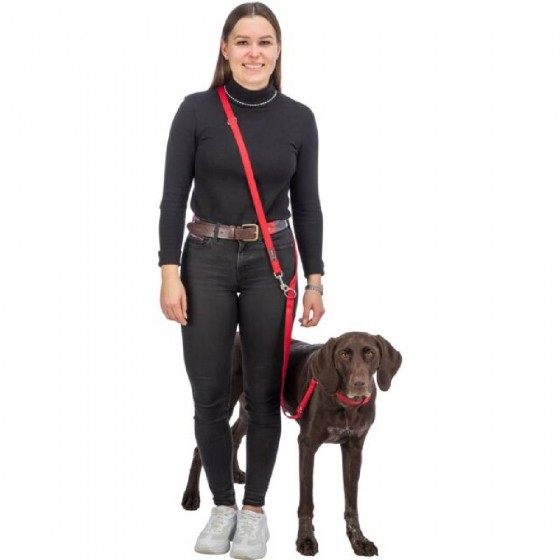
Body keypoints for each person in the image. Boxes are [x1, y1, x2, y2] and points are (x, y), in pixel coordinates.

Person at [158, 3, 325, 558]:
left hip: (270, 263)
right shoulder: (196, 111)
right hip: (203, 257)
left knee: (262, 395)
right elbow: (172, 198)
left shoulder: (299, 119)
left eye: (265, 42)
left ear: (278, 51)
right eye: (244, 41)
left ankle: (254, 512)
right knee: (209, 394)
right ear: (225, 48)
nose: (255, 52)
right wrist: (169, 272)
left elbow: (308, 206)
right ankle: (222, 505)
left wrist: (316, 280)